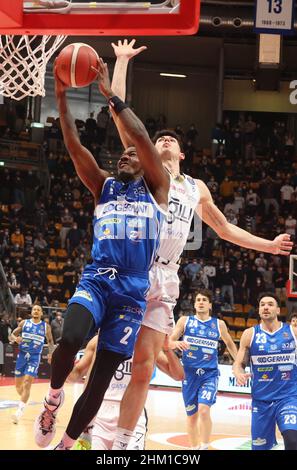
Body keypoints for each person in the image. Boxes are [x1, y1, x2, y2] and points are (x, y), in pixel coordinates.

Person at [106, 40, 293, 451]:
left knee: (142, 369)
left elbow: (226, 230)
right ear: (150, 150)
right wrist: (119, 63)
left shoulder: (196, 187)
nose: (166, 139)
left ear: (184, 153)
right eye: (161, 138)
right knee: (108, 360)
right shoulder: (147, 168)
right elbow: (119, 113)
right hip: (133, 268)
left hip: (166, 276)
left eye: (173, 138)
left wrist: (270, 244)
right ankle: (89, 426)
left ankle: (121, 443)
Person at [34, 50, 169, 449]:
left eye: (132, 155)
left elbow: (141, 137)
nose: (125, 155)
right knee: (71, 338)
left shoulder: (158, 189)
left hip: (131, 292)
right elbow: (75, 147)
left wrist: (111, 94)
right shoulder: (104, 185)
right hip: (97, 278)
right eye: (121, 154)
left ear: (146, 165)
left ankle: (66, 444)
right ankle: (53, 397)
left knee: (101, 380)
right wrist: (59, 96)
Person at [67, 333, 184, 450]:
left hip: (133, 412)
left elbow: (178, 375)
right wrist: (63, 365)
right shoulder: (99, 339)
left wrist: (167, 350)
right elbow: (75, 375)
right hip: (99, 412)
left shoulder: (147, 341)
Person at [169, 289, 237, 450]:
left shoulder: (218, 324)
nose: (200, 302)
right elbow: (169, 341)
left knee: (204, 410)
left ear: (210, 305)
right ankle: (194, 449)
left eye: (204, 300)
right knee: (192, 417)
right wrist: (175, 344)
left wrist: (238, 364)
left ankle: (205, 447)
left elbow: (230, 344)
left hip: (209, 374)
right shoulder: (185, 321)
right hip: (189, 374)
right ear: (194, 304)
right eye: (198, 300)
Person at [233, 292, 297, 450]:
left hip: (288, 398)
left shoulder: (293, 332)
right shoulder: (249, 334)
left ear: (278, 310)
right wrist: (239, 373)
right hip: (261, 401)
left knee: (293, 441)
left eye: (270, 304)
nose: (266, 307)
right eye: (262, 304)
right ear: (259, 310)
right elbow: (238, 364)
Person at [9, 304, 54, 424]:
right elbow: (12, 335)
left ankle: (19, 412)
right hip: (22, 356)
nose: (36, 311)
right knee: (19, 387)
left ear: (41, 313)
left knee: (28, 382)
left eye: (38, 310)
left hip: (34, 357)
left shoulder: (46, 326)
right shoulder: (24, 323)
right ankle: (25, 399)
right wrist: (15, 338)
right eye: (34, 309)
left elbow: (50, 341)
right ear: (32, 312)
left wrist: (51, 354)